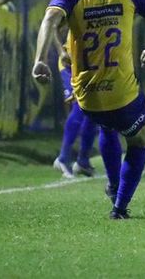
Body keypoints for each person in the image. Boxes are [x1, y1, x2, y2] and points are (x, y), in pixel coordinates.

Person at [32, 0, 145, 219]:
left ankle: (110, 181)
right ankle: (119, 207)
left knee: (106, 127)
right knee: (138, 140)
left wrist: (39, 60)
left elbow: (49, 20)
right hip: (122, 93)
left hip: (88, 98)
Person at [52, 30, 113, 179]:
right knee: (80, 107)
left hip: (91, 64)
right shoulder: (73, 5)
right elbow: (52, 24)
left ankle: (83, 161)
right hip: (70, 64)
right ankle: (63, 158)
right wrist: (61, 51)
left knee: (94, 111)